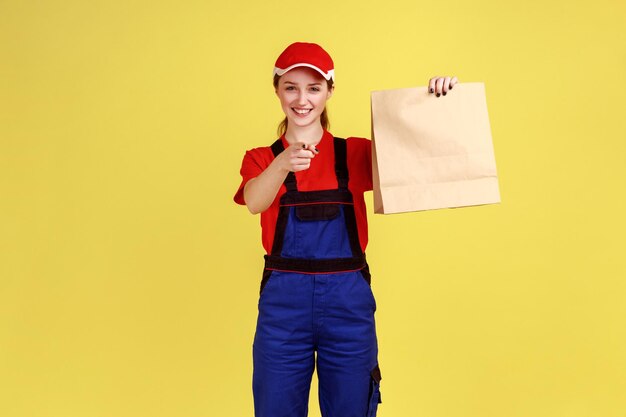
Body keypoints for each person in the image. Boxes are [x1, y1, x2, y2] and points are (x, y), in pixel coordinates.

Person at [234, 41, 458, 417]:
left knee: (352, 408)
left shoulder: (353, 153)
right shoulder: (261, 159)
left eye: (314, 88)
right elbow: (255, 201)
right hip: (283, 309)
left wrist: (440, 102)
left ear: (330, 92)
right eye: (291, 87)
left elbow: (421, 157)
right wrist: (283, 164)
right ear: (276, 90)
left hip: (347, 306)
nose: (301, 99)